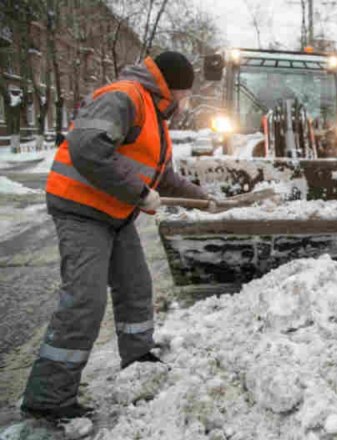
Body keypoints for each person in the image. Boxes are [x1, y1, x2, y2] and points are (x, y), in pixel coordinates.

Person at [21, 51, 212, 420]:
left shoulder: (155, 117)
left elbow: (165, 177)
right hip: (80, 210)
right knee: (85, 301)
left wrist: (205, 200)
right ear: (169, 89)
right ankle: (48, 397)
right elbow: (88, 148)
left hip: (114, 214)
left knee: (136, 288)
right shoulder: (124, 97)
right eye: (185, 95)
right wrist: (139, 194)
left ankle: (138, 358)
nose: (185, 103)